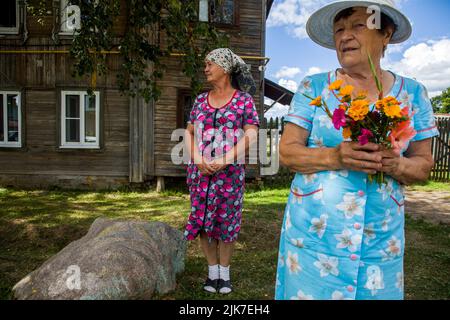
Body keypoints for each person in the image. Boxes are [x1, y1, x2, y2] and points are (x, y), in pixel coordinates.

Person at [275, 0, 439, 300]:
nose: (344, 36)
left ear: (386, 34)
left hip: (380, 242)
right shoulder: (313, 88)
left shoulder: (413, 93)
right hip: (315, 240)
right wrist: (334, 156)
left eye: (357, 26)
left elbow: (424, 165)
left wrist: (397, 165)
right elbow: (287, 152)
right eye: (339, 29)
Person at [183, 48, 260, 294]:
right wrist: (196, 159)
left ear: (224, 68)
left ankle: (224, 274)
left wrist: (227, 159)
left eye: (209, 64)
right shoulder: (199, 101)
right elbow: (189, 133)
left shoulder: (243, 100)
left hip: (229, 174)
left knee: (227, 221)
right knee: (203, 219)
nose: (205, 68)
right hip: (201, 173)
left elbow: (251, 132)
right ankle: (211, 271)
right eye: (205, 64)